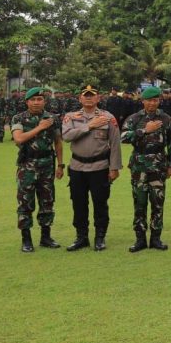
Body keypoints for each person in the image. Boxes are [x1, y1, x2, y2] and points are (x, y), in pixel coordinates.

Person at [61, 84, 122, 251]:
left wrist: (114, 167)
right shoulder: (71, 117)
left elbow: (115, 143)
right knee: (78, 203)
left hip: (100, 166)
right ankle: (81, 237)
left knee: (100, 203)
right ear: (80, 98)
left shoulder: (108, 117)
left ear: (98, 98)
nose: (88, 97)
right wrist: (89, 125)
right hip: (77, 167)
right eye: (85, 95)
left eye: (92, 94)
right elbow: (66, 136)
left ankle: (100, 237)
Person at [120, 86, 171, 252]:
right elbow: (123, 137)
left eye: (155, 100)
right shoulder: (135, 118)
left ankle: (156, 238)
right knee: (139, 202)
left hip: (159, 165)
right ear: (143, 101)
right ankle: (139, 239)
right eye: (149, 100)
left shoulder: (165, 118)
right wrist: (144, 130)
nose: (152, 103)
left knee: (157, 202)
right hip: (139, 165)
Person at [11, 87, 65, 252]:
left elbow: (58, 142)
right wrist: (40, 127)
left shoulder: (52, 118)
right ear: (27, 101)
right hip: (27, 165)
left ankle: (46, 237)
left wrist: (61, 165)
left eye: (39, 99)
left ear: (44, 101)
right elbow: (18, 139)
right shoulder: (19, 118)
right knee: (25, 202)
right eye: (33, 99)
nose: (36, 102)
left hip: (47, 165)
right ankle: (26, 239)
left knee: (47, 201)